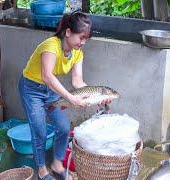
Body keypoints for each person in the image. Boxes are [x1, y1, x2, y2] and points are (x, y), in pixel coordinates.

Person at [19, 11, 108, 180]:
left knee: (64, 127)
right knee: (39, 131)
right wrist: (70, 98)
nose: (82, 43)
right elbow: (47, 76)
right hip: (31, 88)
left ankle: (57, 164)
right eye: (81, 37)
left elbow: (77, 81)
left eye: (85, 39)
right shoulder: (50, 46)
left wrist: (96, 95)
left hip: (51, 89)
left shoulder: (77, 53)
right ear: (68, 32)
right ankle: (41, 170)